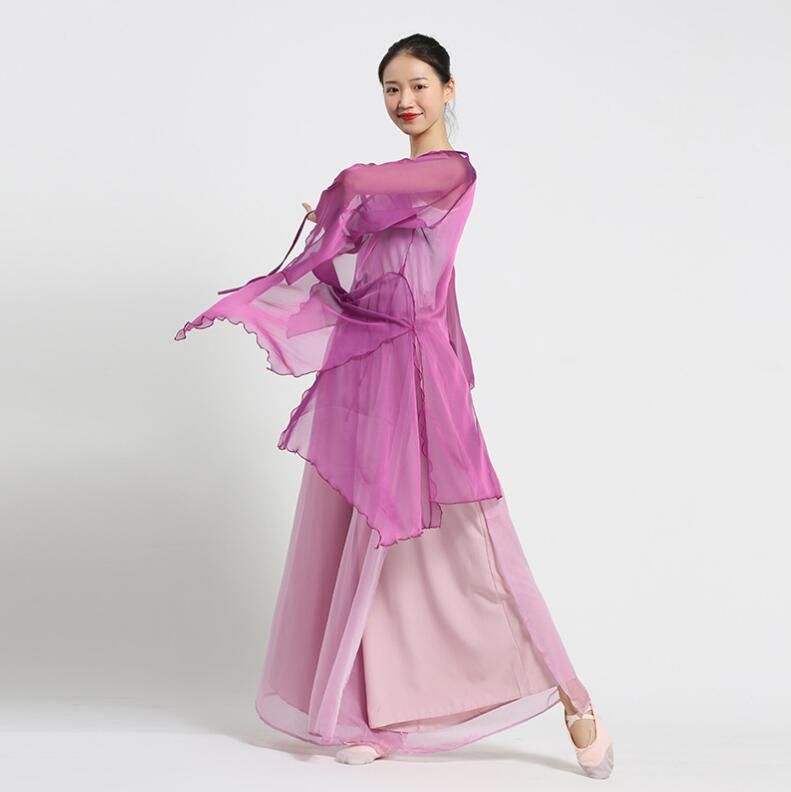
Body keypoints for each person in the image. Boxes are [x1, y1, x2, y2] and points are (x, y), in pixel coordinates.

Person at [174, 33, 614, 779]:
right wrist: (342, 232)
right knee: (366, 539)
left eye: (417, 85)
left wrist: (344, 211)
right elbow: (378, 285)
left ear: (448, 90)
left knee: (480, 538)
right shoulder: (394, 197)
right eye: (390, 89)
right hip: (371, 376)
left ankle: (575, 698)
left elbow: (359, 188)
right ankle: (368, 717)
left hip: (419, 377)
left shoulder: (449, 172)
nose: (404, 101)